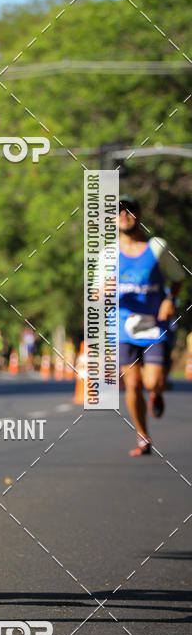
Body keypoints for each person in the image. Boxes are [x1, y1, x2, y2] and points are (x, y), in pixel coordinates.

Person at [118, 194, 184, 456]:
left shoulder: (157, 247)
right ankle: (143, 437)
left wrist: (170, 299)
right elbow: (96, 292)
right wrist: (102, 292)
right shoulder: (107, 253)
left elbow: (178, 278)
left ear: (139, 214)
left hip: (154, 326)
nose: (124, 215)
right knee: (133, 385)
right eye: (118, 211)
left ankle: (156, 393)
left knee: (153, 382)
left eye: (129, 210)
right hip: (123, 326)